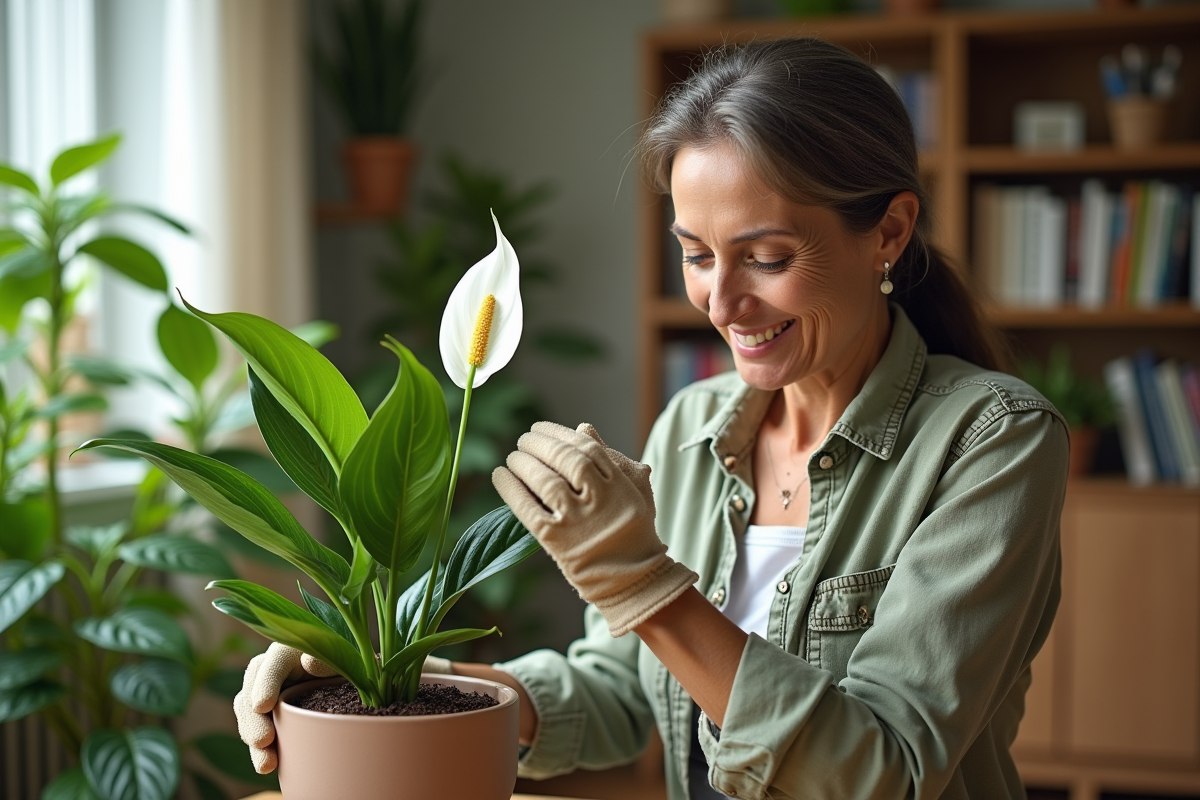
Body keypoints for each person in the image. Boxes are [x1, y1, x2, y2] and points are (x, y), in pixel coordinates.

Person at [235, 37, 1068, 799]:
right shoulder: (696, 424)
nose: (723, 302)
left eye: (768, 258)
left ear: (887, 230)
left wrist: (640, 580)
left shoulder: (990, 439)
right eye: (697, 256)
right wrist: (384, 685)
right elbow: (625, 688)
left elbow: (886, 771)